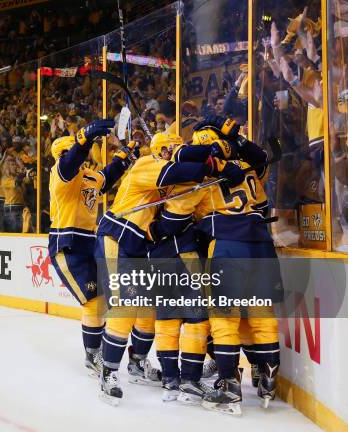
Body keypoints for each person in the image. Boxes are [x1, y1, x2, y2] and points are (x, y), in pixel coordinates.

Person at [95, 131, 244, 405]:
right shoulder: (147, 164)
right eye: (171, 148)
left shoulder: (166, 175)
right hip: (118, 235)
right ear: (162, 150)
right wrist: (215, 165)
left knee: (145, 310)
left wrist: (216, 168)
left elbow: (185, 179)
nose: (174, 152)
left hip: (138, 245)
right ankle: (108, 373)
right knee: (125, 307)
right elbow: (182, 168)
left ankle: (136, 363)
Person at [189, 116, 282, 415]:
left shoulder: (203, 176)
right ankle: (268, 378)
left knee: (224, 317)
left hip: (228, 244)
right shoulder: (248, 168)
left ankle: (229, 387)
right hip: (261, 245)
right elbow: (262, 160)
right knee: (261, 312)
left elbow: (185, 214)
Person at [49, 118, 139, 379]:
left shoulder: (88, 176)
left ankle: (99, 352)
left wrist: (123, 157)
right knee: (94, 302)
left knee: (105, 300)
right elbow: (68, 163)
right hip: (66, 244)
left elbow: (106, 176)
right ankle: (92, 355)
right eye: (68, 152)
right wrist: (83, 139)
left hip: (90, 241)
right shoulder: (60, 174)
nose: (76, 157)